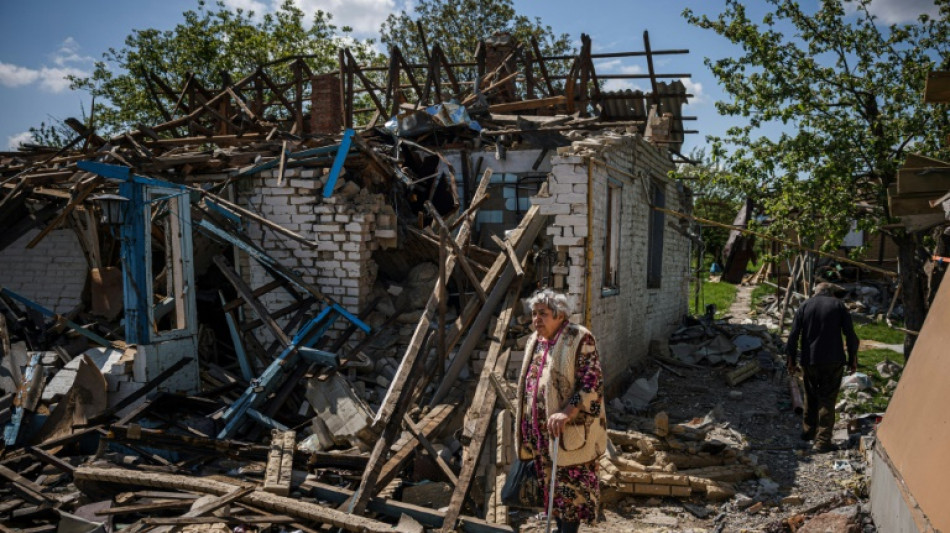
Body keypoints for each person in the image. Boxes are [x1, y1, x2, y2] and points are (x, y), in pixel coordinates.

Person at [514, 288, 607, 533]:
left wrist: (568, 411)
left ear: (560, 314)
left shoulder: (579, 338)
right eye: (534, 314)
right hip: (541, 432)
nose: (536, 319)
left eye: (543, 314)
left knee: (571, 489)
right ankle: (559, 527)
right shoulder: (536, 341)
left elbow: (591, 382)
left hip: (569, 431)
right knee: (550, 485)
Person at [786, 282, 859, 453]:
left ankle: (808, 432)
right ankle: (823, 441)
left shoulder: (804, 306)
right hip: (833, 360)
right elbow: (850, 335)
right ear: (831, 293)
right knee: (827, 399)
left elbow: (793, 335)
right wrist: (853, 359)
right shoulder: (838, 306)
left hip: (809, 359)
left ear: (816, 292)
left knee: (810, 395)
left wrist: (791, 360)